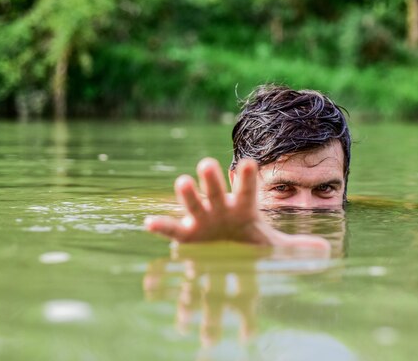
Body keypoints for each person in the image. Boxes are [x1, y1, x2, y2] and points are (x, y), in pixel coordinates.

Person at [145, 84, 351, 252]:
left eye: (324, 189)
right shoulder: (192, 216)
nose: (307, 210)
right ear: (236, 182)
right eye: (282, 188)